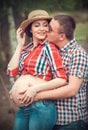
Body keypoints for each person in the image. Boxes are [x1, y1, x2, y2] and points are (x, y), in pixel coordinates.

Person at [15, 14, 88, 130]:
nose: (45, 30)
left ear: (61, 36)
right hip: (52, 118)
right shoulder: (53, 50)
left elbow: (72, 90)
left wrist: (34, 96)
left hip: (71, 122)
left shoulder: (78, 54)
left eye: (50, 29)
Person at [7, 10, 67, 130]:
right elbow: (11, 72)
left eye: (45, 25)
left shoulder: (49, 47)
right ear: (30, 29)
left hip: (41, 106)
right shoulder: (26, 49)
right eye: (37, 25)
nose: (42, 28)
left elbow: (62, 80)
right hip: (24, 108)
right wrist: (19, 45)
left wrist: (34, 89)